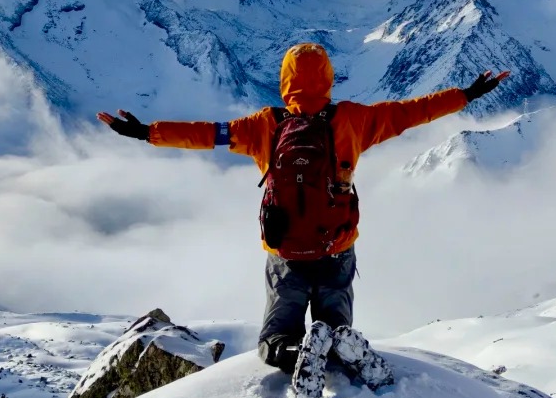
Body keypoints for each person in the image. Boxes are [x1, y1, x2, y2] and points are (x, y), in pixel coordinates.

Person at [98, 41, 509, 373]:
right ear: (328, 79)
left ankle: (285, 352)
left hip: (284, 251)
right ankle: (336, 338)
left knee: (276, 332)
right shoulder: (353, 119)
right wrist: (466, 94)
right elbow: (412, 112)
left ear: (285, 82)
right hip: (337, 244)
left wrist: (145, 133)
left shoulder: (262, 126)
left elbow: (206, 134)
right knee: (335, 318)